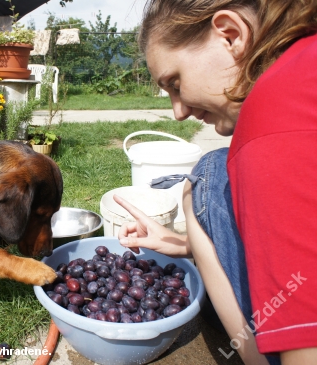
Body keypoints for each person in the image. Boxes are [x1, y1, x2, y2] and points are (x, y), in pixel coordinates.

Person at [113, 0, 317, 364]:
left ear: (231, 35)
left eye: (175, 83)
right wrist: (186, 243)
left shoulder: (272, 116)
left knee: (206, 178)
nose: (178, 112)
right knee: (220, 165)